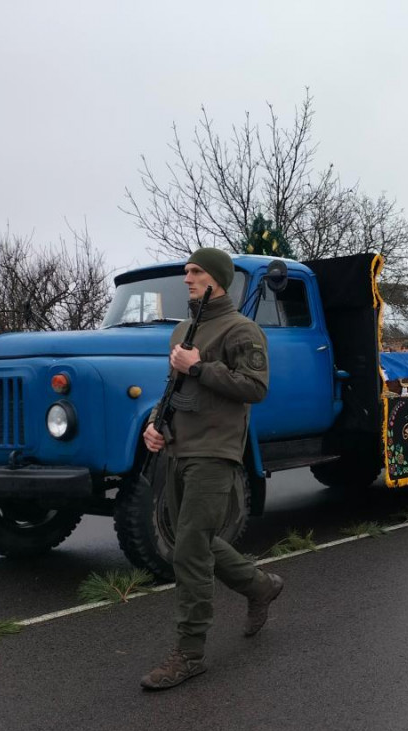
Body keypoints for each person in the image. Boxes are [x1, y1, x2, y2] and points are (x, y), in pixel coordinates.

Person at [140, 247, 280, 690]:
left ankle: (189, 653)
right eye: (187, 272)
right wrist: (153, 424)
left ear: (216, 279)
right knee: (191, 540)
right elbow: (173, 385)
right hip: (179, 449)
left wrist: (201, 366)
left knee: (189, 551)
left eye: (196, 272)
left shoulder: (243, 330)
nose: (187, 279)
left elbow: (255, 387)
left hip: (215, 452)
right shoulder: (182, 329)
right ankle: (259, 586)